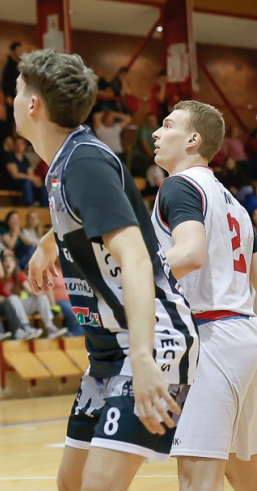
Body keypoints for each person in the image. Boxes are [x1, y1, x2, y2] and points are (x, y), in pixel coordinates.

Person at [16, 49, 196, 490]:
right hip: (106, 354)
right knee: (71, 484)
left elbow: (135, 257)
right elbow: (95, 215)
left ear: (33, 105)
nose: (13, 101)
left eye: (17, 92)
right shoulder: (67, 160)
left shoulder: (85, 162)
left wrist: (143, 358)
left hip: (149, 341)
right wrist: (48, 243)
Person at [151, 100, 257, 490]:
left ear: (193, 140)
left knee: (198, 477)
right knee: (243, 471)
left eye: (167, 125)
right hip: (244, 335)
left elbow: (191, 254)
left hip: (210, 338)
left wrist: (131, 280)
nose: (156, 133)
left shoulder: (179, 186)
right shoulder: (235, 204)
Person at [3, 136, 46, 207]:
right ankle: (30, 203)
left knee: (42, 185)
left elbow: (30, 173)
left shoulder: (25, 159)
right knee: (27, 182)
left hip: (25, 181)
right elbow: (15, 175)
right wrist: (31, 178)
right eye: (17, 144)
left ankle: (45, 206)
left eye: (21, 144)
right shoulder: (10, 157)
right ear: (14, 145)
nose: (19, 146)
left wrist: (35, 180)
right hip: (13, 183)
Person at [1, 41, 23, 105]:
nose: (20, 52)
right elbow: (5, 82)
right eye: (18, 50)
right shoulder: (8, 67)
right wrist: (7, 95)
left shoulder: (22, 64)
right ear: (13, 51)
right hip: (12, 97)